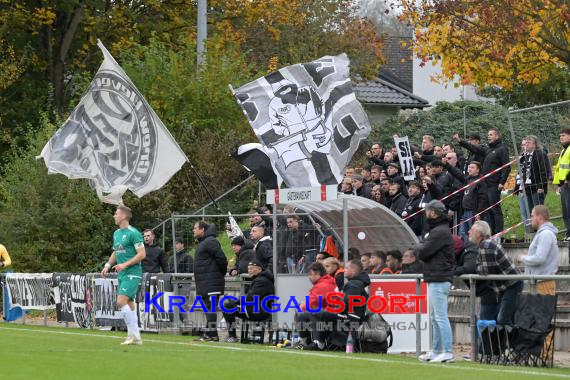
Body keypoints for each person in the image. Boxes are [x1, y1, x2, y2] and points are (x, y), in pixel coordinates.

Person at [416, 200, 455, 363]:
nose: (426, 213)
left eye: (428, 211)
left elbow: (424, 252)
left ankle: (447, 351)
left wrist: (419, 246)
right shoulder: (438, 230)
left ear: (434, 212)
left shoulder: (440, 231)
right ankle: (437, 350)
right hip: (436, 277)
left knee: (440, 317)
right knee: (434, 317)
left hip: (439, 277)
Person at [101, 206, 146, 346]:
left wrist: (125, 264)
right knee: (130, 304)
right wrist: (107, 265)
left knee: (121, 302)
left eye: (116, 213)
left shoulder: (134, 233)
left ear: (124, 216)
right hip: (123, 273)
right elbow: (116, 251)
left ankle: (131, 335)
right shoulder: (116, 233)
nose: (114, 216)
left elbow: (142, 254)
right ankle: (137, 337)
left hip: (132, 272)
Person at [303, 260, 370, 350]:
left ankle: (318, 343)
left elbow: (345, 305)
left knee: (318, 312)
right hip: (349, 317)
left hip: (350, 319)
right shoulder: (355, 283)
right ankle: (319, 343)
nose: (343, 270)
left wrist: (333, 309)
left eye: (346, 268)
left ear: (353, 271)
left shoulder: (354, 284)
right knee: (323, 314)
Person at [455, 129, 510, 234]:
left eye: (491, 135)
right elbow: (474, 148)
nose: (488, 136)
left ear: (497, 136)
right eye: (488, 134)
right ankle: (490, 232)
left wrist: (502, 182)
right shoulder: (488, 149)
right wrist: (460, 141)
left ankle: (498, 233)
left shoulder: (502, 148)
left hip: (494, 184)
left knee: (495, 209)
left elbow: (506, 167)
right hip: (485, 184)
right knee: (487, 211)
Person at [470, 221, 523, 325]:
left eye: (472, 230)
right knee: (505, 319)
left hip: (512, 285)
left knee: (503, 319)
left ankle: (515, 341)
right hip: (509, 285)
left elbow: (486, 271)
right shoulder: (486, 244)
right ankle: (511, 340)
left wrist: (476, 267)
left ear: (479, 234)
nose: (469, 232)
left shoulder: (486, 245)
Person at [222, 259, 275, 343]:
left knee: (228, 307)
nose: (249, 271)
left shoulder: (261, 281)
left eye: (251, 268)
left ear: (259, 269)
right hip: (257, 309)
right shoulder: (261, 279)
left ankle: (232, 336)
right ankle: (232, 335)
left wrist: (235, 302)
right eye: (248, 269)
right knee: (230, 305)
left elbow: (250, 298)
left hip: (259, 311)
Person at [193, 221, 228, 342]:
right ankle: (210, 333)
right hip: (205, 282)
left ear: (202, 229)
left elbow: (222, 259)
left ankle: (212, 334)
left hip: (212, 282)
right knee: (208, 308)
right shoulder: (204, 242)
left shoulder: (211, 241)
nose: (193, 230)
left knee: (211, 308)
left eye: (195, 228)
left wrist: (220, 274)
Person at [516, 205, 559, 295]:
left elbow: (539, 258)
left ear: (539, 217)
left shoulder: (545, 234)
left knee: (543, 309)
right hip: (541, 283)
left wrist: (523, 258)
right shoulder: (543, 233)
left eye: (532, 216)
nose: (530, 219)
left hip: (543, 284)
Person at [296, 263, 337, 346]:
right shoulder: (327, 283)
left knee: (301, 314)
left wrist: (301, 307)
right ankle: (305, 340)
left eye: (310, 274)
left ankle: (305, 341)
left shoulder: (322, 286)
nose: (309, 277)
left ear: (317, 274)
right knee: (304, 312)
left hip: (327, 316)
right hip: (330, 314)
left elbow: (310, 304)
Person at [457, 161, 488, 240]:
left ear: (478, 170)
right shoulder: (467, 179)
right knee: (464, 234)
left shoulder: (480, 181)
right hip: (465, 211)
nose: (469, 169)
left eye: (472, 167)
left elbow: (482, 198)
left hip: (473, 212)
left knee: (474, 235)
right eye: (469, 167)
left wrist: (479, 212)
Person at [519, 135, 549, 212]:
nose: (526, 144)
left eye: (529, 142)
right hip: (528, 188)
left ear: (535, 144)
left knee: (538, 211)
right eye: (526, 143)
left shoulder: (540, 154)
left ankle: (541, 224)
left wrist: (541, 186)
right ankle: (533, 224)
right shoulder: (526, 155)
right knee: (531, 212)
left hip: (537, 188)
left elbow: (544, 171)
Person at [553, 128, 570, 241]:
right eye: (560, 136)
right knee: (565, 211)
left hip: (569, 183)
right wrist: (559, 184)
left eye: (563, 135)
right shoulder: (564, 151)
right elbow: (560, 169)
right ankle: (568, 233)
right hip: (564, 184)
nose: (561, 137)